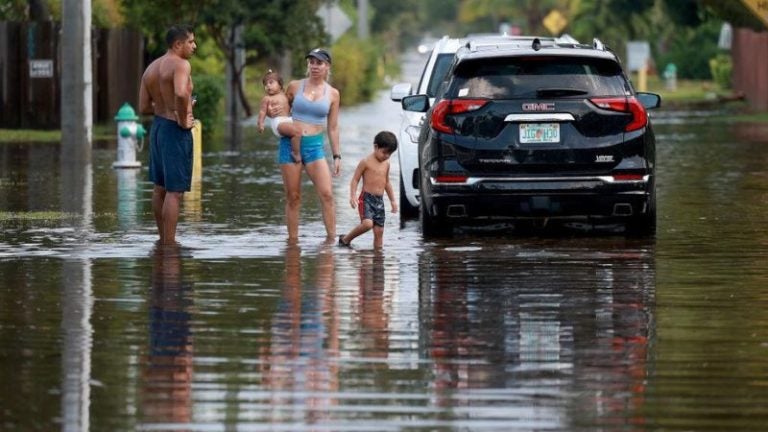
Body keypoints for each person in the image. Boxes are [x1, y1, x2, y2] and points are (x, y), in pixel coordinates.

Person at [267, 48, 342, 243]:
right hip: (290, 145)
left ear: (327, 66)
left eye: (319, 63)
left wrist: (336, 156)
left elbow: (333, 127)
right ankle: (293, 244)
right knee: (293, 197)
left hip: (315, 146)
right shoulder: (294, 86)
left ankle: (332, 242)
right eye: (312, 62)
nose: (315, 66)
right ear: (308, 65)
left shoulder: (333, 94)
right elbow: (280, 108)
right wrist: (271, 115)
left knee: (327, 195)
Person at [139, 25, 197, 245]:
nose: (194, 46)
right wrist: (182, 118)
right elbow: (181, 92)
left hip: (158, 128)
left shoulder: (150, 69)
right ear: (178, 44)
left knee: (159, 188)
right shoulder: (182, 64)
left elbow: (144, 106)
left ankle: (163, 239)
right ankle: (170, 244)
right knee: (174, 191)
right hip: (175, 130)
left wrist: (167, 108)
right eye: (191, 42)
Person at [338, 131, 398, 249]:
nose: (386, 156)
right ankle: (345, 239)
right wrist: (353, 196)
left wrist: (392, 200)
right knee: (367, 224)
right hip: (367, 199)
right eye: (384, 152)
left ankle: (378, 256)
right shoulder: (366, 162)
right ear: (375, 147)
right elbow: (355, 179)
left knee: (379, 231)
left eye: (389, 154)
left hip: (379, 201)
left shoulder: (386, 164)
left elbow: (387, 182)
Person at [257, 69, 303, 164]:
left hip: (289, 119)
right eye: (265, 84)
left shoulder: (285, 95)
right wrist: (261, 124)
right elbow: (262, 112)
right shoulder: (267, 98)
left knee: (303, 128)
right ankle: (296, 153)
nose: (268, 86)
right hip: (278, 122)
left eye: (271, 83)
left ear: (280, 85)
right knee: (297, 132)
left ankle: (302, 150)